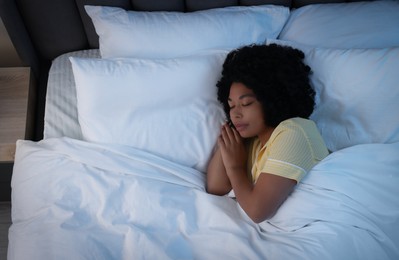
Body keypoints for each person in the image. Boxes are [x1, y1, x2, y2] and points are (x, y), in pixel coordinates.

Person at [206, 44, 329, 223]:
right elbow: (216, 188)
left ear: (272, 99)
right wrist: (230, 138)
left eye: (246, 103)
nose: (235, 113)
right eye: (231, 106)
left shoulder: (294, 131)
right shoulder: (254, 142)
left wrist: (235, 167)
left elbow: (258, 212)